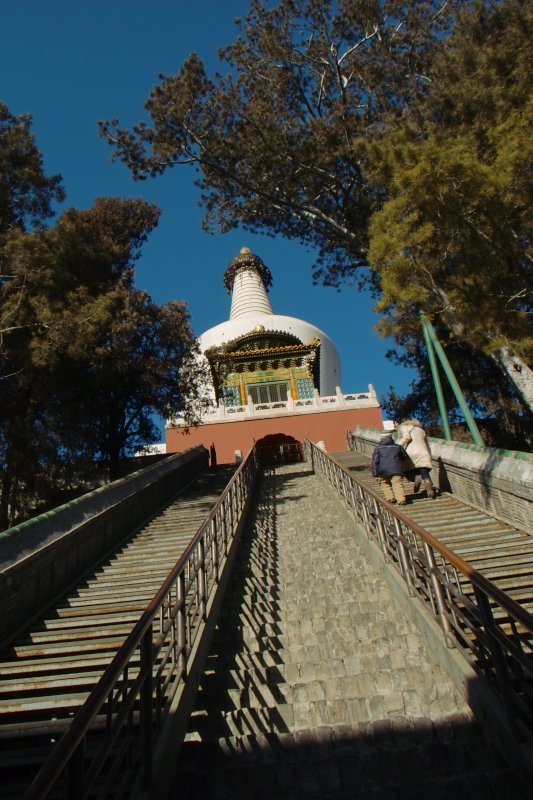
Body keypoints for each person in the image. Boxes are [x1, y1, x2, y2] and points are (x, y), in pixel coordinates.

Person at [398, 419, 436, 499]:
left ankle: (416, 477)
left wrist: (397, 446)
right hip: (423, 452)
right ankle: (428, 483)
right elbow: (426, 443)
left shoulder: (405, 428)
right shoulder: (421, 430)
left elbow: (407, 437)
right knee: (423, 469)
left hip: (411, 453)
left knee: (406, 471)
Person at [371, 432, 409, 505]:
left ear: (381, 439)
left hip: (383, 471)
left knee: (384, 484)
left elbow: (375, 461)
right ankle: (401, 499)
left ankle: (390, 498)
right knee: (397, 484)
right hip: (397, 469)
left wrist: (375, 473)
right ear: (391, 438)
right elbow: (405, 457)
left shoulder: (378, 448)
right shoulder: (398, 447)